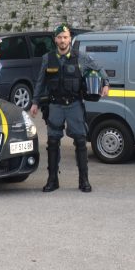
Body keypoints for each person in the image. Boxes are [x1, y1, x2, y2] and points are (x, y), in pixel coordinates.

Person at [30, 23, 109, 192]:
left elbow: (99, 69)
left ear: (70, 39)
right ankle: (52, 180)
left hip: (74, 104)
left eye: (65, 37)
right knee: (52, 142)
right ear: (55, 40)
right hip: (55, 105)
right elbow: (40, 82)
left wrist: (106, 83)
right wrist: (35, 102)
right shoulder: (48, 58)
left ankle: (84, 181)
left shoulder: (80, 57)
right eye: (59, 38)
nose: (62, 40)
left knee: (80, 141)